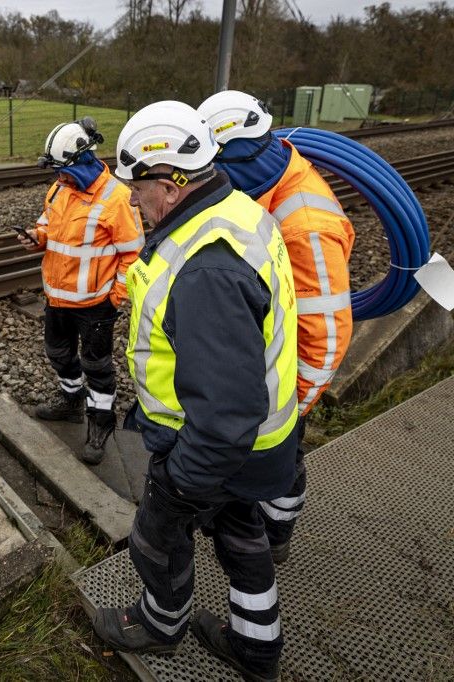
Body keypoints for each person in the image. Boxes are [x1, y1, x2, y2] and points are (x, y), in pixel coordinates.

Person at [90, 101, 300, 682]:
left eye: (138, 186)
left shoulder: (205, 270)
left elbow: (226, 414)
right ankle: (257, 649)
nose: (132, 199)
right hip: (266, 441)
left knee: (155, 536)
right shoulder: (237, 209)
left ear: (172, 182)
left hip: (220, 447)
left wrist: (181, 482)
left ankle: (161, 624)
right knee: (240, 534)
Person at [199, 91, 355, 564]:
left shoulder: (305, 225)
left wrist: (288, 408)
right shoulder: (266, 176)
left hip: (285, 386)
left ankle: (277, 533)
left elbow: (326, 335)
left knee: (283, 461)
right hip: (265, 360)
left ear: (233, 153)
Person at [19, 117, 144, 464]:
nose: (57, 177)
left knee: (97, 365)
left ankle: (101, 423)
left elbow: (134, 255)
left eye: (62, 170)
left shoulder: (117, 198)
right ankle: (71, 400)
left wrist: (115, 297)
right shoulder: (60, 188)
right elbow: (47, 223)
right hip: (57, 298)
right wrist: (36, 238)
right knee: (58, 353)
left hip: (95, 305)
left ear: (81, 161)